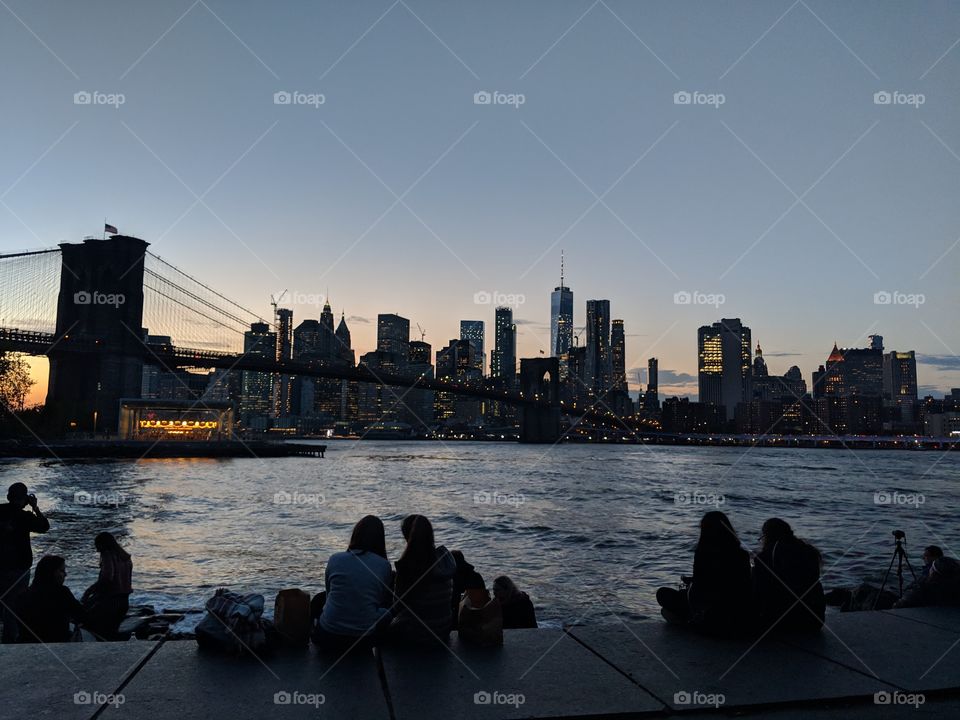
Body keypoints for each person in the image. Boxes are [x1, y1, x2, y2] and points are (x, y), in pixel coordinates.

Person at [656, 511, 752, 635]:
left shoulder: (703, 553)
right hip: (736, 614)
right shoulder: (742, 555)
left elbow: (701, 587)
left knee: (663, 595)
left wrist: (691, 583)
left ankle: (690, 621)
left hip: (711, 611)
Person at [313, 516, 394, 652]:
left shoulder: (335, 559)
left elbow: (328, 595)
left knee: (319, 599)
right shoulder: (384, 565)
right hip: (364, 642)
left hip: (328, 636)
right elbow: (379, 601)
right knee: (387, 612)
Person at [390, 514, 456, 643]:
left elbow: (397, 606)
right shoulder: (445, 560)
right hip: (443, 629)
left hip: (415, 632)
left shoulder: (407, 567)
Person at [753, 518, 825, 633]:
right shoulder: (810, 552)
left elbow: (760, 592)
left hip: (783, 622)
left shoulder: (765, 557)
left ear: (767, 537)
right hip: (815, 620)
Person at [0, 482, 50, 643]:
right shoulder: (25, 517)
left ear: (9, 497)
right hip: (19, 567)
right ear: (25, 499)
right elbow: (44, 526)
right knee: (12, 606)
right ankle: (10, 641)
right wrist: (35, 508)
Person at [17, 555, 86, 643]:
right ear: (51, 573)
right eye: (62, 571)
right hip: (58, 643)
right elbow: (81, 615)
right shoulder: (62, 592)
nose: (65, 574)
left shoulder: (23, 595)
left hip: (27, 643)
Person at [81, 532, 133, 639]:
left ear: (103, 544)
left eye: (97, 546)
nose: (97, 550)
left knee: (94, 629)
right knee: (112, 632)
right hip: (124, 601)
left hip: (110, 602)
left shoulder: (107, 554)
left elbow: (107, 578)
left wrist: (89, 591)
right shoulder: (126, 558)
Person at [895, 547, 960, 609]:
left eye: (926, 555)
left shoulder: (924, 585)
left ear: (935, 557)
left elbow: (905, 602)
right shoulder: (954, 582)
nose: (923, 558)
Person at [450, 550, 485, 628]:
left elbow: (453, 601)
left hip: (462, 616)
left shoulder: (455, 577)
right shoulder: (476, 576)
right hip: (479, 613)